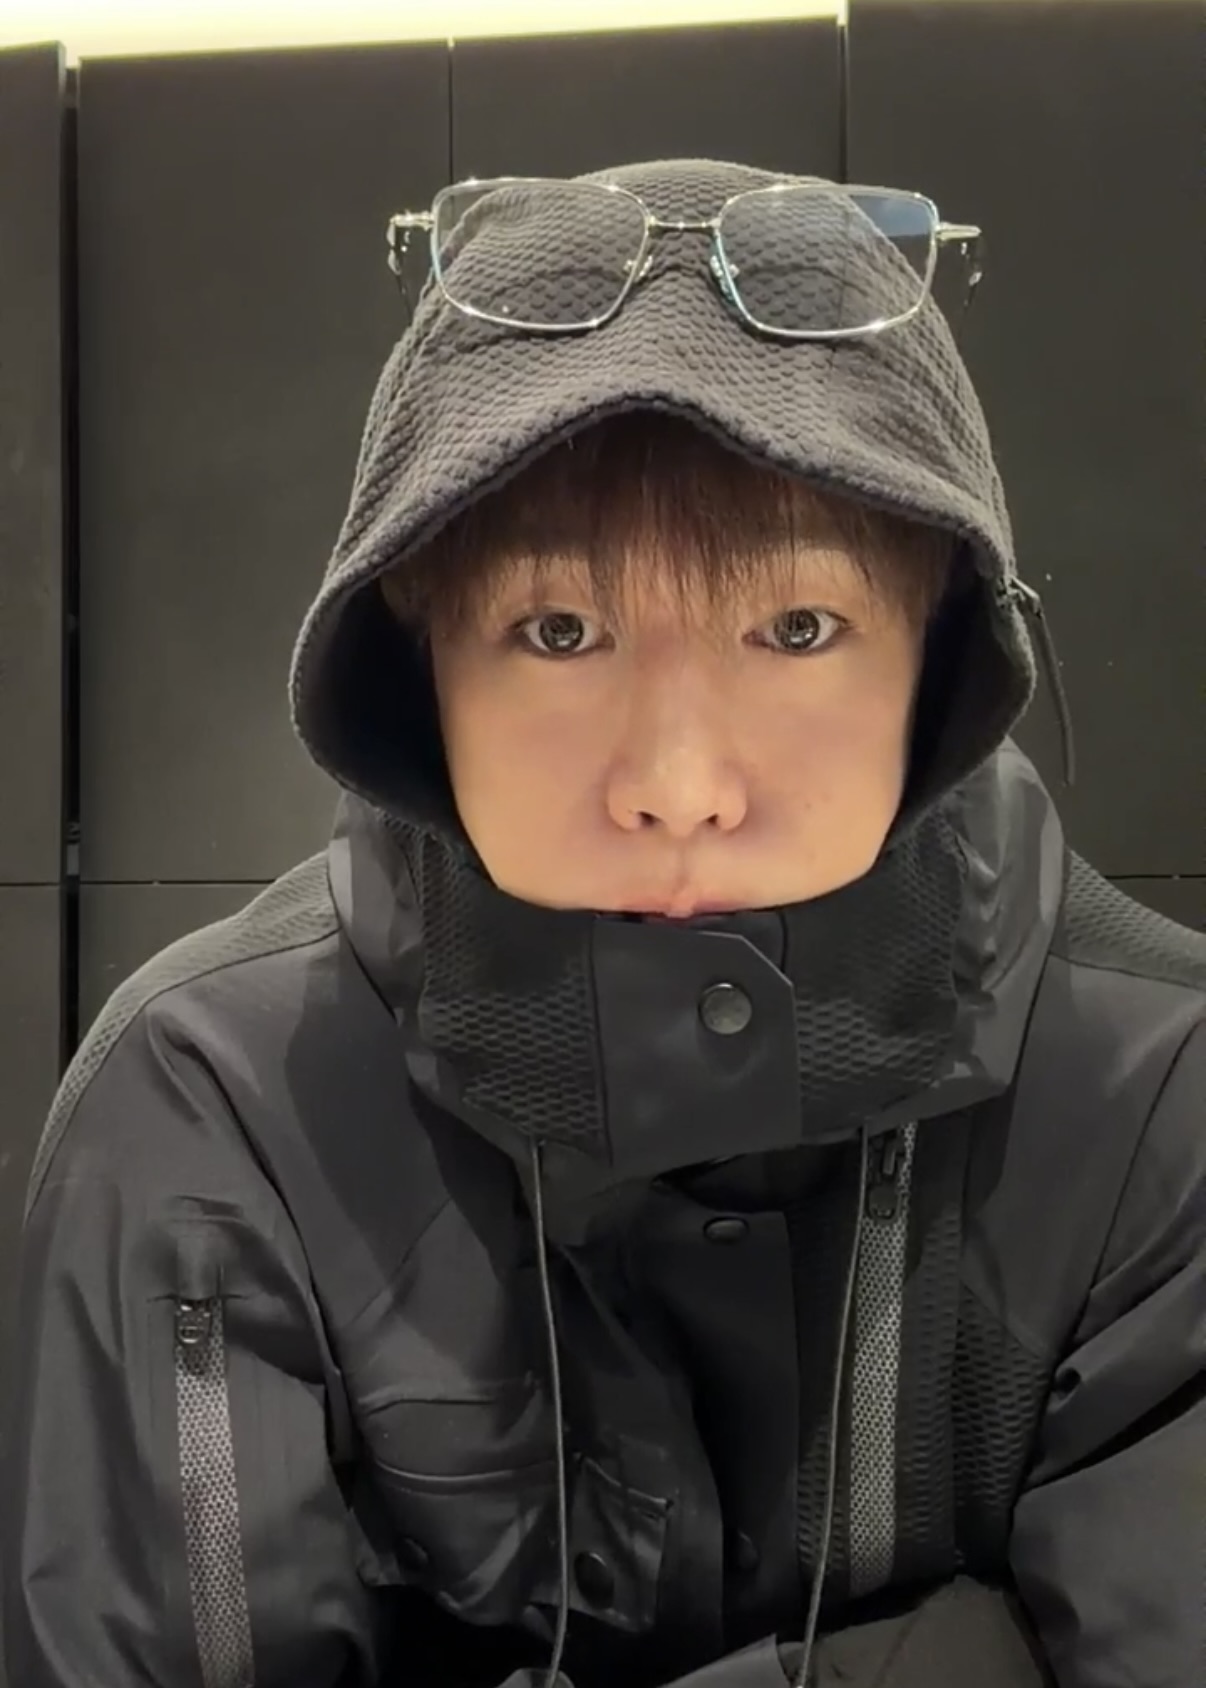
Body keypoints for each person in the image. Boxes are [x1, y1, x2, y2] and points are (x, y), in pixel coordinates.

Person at [4, 159, 1204, 1688]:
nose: (676, 786)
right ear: (419, 667)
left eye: (796, 627)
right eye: (558, 630)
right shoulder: (210, 1104)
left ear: (940, 654)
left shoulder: (1160, 1101)